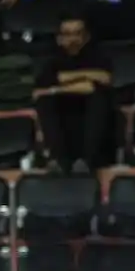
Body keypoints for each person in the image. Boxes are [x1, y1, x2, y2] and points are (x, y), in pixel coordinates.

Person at [32, 15, 114, 174]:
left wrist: (60, 85)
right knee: (45, 102)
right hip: (63, 127)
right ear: (59, 39)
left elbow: (95, 85)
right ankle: (57, 161)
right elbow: (38, 93)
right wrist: (85, 77)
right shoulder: (51, 63)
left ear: (86, 37)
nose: (73, 39)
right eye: (67, 34)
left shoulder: (99, 58)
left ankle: (87, 161)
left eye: (77, 33)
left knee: (98, 99)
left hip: (94, 132)